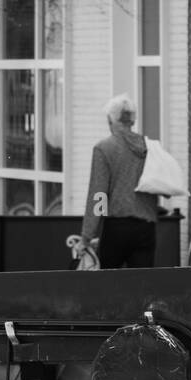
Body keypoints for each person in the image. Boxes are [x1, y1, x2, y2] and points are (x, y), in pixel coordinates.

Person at [76, 94, 159, 269]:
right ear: (132, 121)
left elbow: (99, 194)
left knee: (109, 287)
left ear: (110, 120)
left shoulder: (104, 148)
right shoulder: (148, 147)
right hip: (146, 228)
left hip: (117, 228)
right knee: (142, 287)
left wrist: (87, 236)